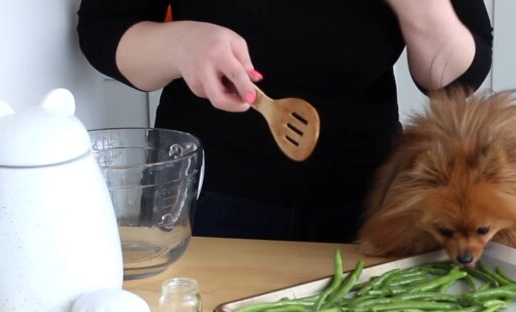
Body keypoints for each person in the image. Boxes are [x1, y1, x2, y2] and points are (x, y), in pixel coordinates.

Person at [76, 1, 493, 243]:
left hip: (370, 198)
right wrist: (179, 44)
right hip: (205, 195)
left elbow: (455, 79)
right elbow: (104, 29)